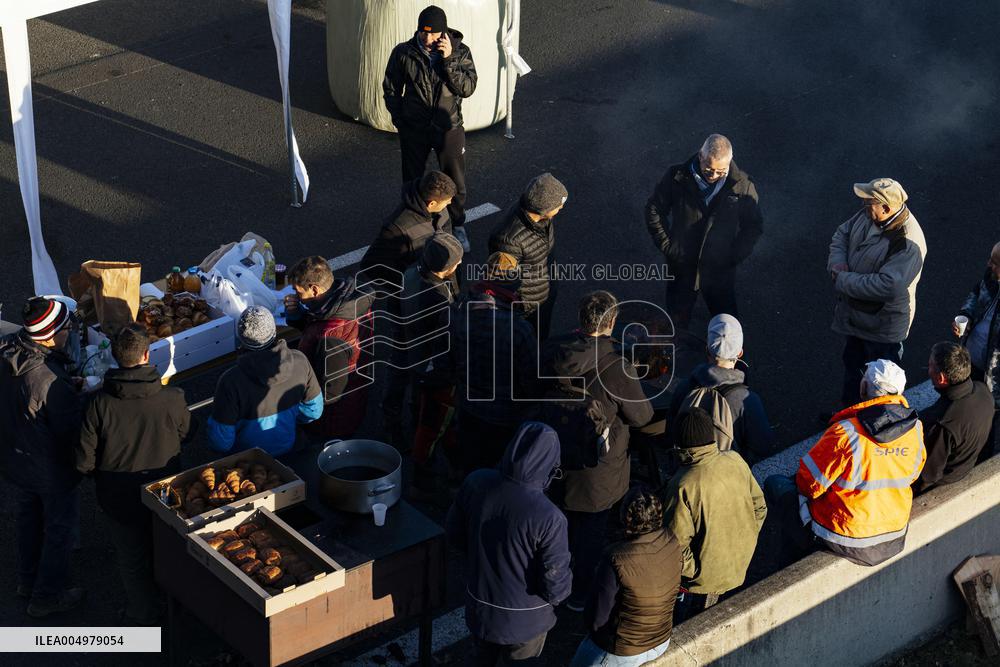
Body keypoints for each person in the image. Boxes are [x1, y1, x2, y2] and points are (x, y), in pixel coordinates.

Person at [541, 290, 654, 610]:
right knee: (589, 535)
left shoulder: (553, 350)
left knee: (555, 525)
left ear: (580, 318)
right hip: (597, 472)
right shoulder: (616, 366)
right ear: (613, 322)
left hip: (551, 455)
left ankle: (548, 581)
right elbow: (642, 416)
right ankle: (576, 596)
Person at [76, 324, 195, 624]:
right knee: (168, 548)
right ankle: (175, 605)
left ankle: (143, 613)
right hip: (164, 492)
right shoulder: (172, 398)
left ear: (116, 358)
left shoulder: (98, 405)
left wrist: (99, 476)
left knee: (132, 558)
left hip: (118, 498)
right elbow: (187, 434)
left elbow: (84, 460)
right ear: (147, 355)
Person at [765, 360, 925, 567]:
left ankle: (789, 561)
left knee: (776, 484)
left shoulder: (846, 432)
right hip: (893, 531)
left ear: (864, 387)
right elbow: (912, 474)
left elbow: (808, 485)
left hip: (846, 536)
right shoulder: (915, 429)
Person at [446, 422, 571, 665]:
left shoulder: (476, 481)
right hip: (526, 621)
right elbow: (555, 585)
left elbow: (454, 535)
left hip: (480, 607)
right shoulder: (550, 517)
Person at [0, 297, 85, 617]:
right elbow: (68, 429)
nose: (70, 332)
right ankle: (47, 596)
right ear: (50, 335)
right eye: (67, 328)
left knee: (28, 517)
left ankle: (26, 579)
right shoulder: (49, 380)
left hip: (15, 455)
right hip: (48, 466)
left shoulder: (8, 349)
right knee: (59, 529)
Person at [359, 170, 456, 441]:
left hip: (437, 300)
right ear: (431, 203)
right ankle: (392, 421)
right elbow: (371, 267)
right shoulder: (397, 227)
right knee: (401, 364)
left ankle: (418, 417)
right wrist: (406, 288)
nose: (450, 206)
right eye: (446, 201)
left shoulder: (440, 215)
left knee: (427, 364)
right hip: (406, 310)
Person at [644, 134, 763, 330]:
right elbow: (654, 209)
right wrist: (668, 246)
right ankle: (673, 354)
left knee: (726, 322)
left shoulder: (742, 185)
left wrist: (733, 256)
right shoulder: (677, 177)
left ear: (729, 162)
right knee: (676, 320)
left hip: (719, 269)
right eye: (709, 169)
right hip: (682, 265)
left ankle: (728, 357)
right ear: (700, 156)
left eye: (720, 171)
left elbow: (753, 225)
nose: (714, 175)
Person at [383, 5, 477, 252]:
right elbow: (391, 87)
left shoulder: (460, 52)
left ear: (443, 32)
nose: (427, 39)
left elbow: (467, 88)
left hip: (449, 127)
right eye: (423, 32)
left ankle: (457, 225)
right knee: (412, 179)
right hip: (415, 127)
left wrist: (448, 62)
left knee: (455, 179)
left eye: (433, 34)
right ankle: (412, 226)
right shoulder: (404, 52)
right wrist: (400, 119)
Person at [828, 178, 927, 406]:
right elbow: (842, 233)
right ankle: (848, 415)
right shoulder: (869, 214)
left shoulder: (907, 242)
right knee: (853, 368)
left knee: (880, 388)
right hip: (858, 317)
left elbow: (887, 285)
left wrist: (843, 279)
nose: (863, 204)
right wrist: (838, 262)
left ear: (885, 207)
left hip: (882, 327)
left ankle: (874, 430)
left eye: (869, 201)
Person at [662, 407, 766, 618]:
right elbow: (760, 507)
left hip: (701, 585)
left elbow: (674, 545)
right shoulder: (735, 460)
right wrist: (748, 539)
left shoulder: (683, 484)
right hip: (739, 567)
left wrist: (697, 571)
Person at [443, 251, 539, 473]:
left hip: (467, 406)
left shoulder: (459, 312)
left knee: (468, 466)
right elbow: (531, 379)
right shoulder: (519, 329)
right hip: (503, 415)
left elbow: (450, 359)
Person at [570, 487, 681, 667]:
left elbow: (597, 617)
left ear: (625, 517)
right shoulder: (671, 540)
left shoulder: (615, 559)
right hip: (661, 638)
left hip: (625, 650)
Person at [208, 306, 323, 457]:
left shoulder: (230, 380)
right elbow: (313, 412)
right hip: (290, 447)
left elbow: (221, 442)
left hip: (248, 462)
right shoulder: (300, 360)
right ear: (274, 332)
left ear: (241, 338)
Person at [400, 232, 464, 492]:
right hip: (433, 370)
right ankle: (423, 481)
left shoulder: (411, 274)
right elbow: (448, 341)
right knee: (432, 425)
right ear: (445, 268)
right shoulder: (438, 301)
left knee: (422, 415)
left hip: (415, 358)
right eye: (456, 264)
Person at [285, 255, 376, 440]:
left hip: (332, 419)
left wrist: (295, 411)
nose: (296, 296)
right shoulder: (347, 302)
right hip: (355, 391)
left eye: (298, 291)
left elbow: (330, 393)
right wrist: (297, 315)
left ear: (315, 289)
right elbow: (316, 326)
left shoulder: (331, 338)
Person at [667, 313, 773, 463]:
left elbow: (671, 431)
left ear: (707, 350)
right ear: (740, 353)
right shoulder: (746, 401)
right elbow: (763, 446)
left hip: (688, 472)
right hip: (728, 477)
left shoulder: (685, 387)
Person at [489, 173, 569, 341]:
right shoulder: (507, 240)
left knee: (541, 334)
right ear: (544, 208)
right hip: (528, 305)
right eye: (559, 205)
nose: (561, 208)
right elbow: (504, 284)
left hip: (543, 292)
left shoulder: (541, 217)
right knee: (530, 341)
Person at [913, 343, 994, 494]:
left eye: (930, 365)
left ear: (942, 378)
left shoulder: (943, 423)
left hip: (948, 480)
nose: (928, 368)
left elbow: (929, 474)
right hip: (969, 462)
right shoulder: (983, 391)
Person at [953, 241, 1000, 458]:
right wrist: (967, 314)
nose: (989, 265)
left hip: (994, 375)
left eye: (995, 263)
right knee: (959, 406)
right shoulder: (991, 278)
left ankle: (981, 460)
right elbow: (975, 295)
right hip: (972, 358)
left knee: (986, 419)